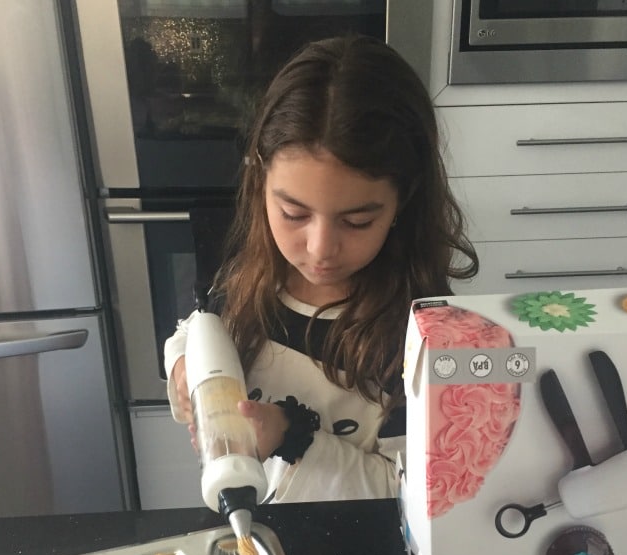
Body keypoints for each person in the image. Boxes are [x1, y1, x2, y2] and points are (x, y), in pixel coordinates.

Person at [164, 34, 477, 504]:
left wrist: (292, 437)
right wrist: (184, 366)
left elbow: (418, 495)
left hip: (356, 552)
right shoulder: (252, 281)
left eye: (357, 221)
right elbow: (197, 330)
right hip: (252, 531)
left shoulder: (421, 337)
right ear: (261, 179)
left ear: (403, 201)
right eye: (293, 214)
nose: (319, 249)